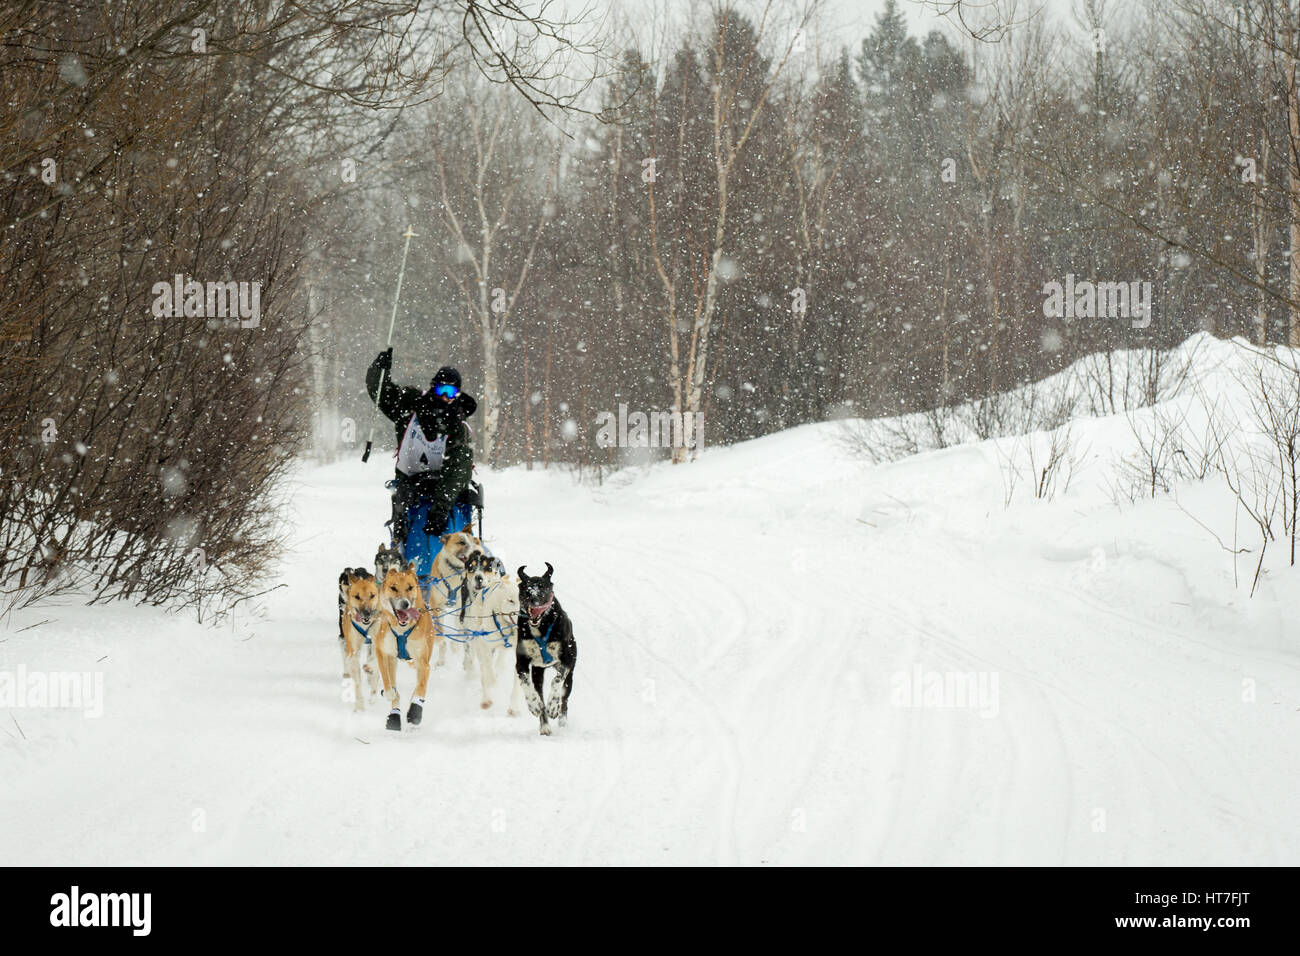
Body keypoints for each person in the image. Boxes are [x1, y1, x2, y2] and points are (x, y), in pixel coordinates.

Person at [365, 348, 478, 580]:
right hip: (411, 484)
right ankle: (405, 570)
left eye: (451, 391)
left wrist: (439, 509)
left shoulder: (458, 426)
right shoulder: (410, 406)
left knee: (449, 526)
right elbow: (380, 393)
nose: (446, 396)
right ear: (433, 387)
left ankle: (453, 573)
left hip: (447, 493)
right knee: (407, 521)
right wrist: (380, 369)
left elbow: (458, 470)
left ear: (457, 394)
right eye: (441, 389)